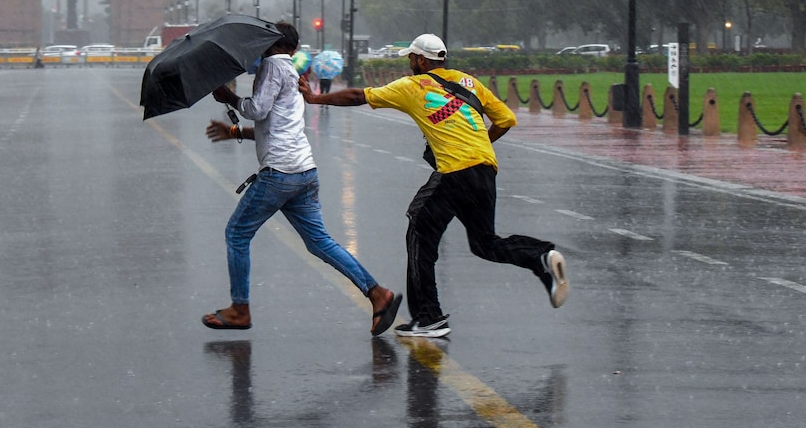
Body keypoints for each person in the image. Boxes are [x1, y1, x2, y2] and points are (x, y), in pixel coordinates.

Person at [298, 33, 568, 338]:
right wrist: (479, 145)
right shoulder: (469, 83)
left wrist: (315, 98)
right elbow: (505, 119)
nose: (410, 63)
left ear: (422, 60)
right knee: (485, 244)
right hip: (485, 169)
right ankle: (540, 256)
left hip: (455, 172)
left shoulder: (413, 86)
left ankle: (428, 317)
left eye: (412, 58)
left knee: (419, 230)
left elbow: (358, 96)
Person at [202, 21, 402, 336]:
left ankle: (240, 309)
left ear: (271, 44)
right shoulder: (292, 71)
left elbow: (257, 109)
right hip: (304, 172)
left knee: (237, 234)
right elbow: (276, 126)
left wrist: (229, 97)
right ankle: (377, 293)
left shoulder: (271, 66)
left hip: (279, 174)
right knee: (319, 241)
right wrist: (235, 131)